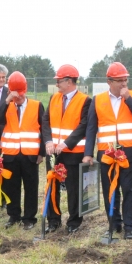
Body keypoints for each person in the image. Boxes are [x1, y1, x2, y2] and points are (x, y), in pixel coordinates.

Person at [83, 62, 132, 240]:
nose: (123, 83)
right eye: (119, 80)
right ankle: (114, 224)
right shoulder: (97, 100)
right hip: (107, 154)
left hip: (129, 153)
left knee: (129, 190)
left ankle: (130, 226)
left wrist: (128, 99)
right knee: (110, 190)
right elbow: (91, 128)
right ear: (109, 81)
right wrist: (88, 153)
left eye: (125, 80)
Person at [42, 64, 91, 234]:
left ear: (69, 81)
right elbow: (46, 121)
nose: (57, 84)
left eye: (59, 81)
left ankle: (74, 222)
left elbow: (83, 125)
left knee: (73, 188)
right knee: (52, 185)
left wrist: (67, 143)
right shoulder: (54, 98)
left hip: (73, 153)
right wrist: (48, 141)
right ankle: (53, 220)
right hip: (53, 152)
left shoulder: (85, 100)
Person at [0, 71, 44, 230]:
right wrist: (6, 101)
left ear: (26, 90)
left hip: (30, 155)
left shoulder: (37, 105)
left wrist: (41, 152)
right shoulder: (6, 106)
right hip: (10, 155)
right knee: (11, 187)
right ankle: (13, 216)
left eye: (20, 93)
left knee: (31, 187)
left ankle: (29, 218)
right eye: (15, 94)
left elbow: (44, 129)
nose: (18, 97)